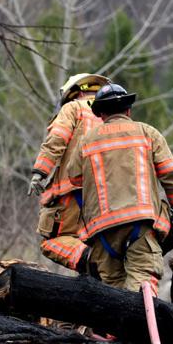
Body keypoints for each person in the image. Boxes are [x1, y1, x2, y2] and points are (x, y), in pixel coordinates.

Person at [71, 83, 173, 294]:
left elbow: (74, 178)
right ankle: (141, 326)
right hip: (140, 224)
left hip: (102, 230)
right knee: (143, 279)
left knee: (113, 289)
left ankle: (115, 328)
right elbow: (170, 173)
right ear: (128, 110)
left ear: (101, 114)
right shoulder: (147, 133)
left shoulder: (85, 142)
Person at [28, 73, 109, 272]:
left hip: (73, 192)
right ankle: (98, 270)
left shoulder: (74, 108)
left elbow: (57, 140)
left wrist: (40, 172)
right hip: (109, 196)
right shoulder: (113, 116)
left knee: (54, 242)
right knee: (95, 240)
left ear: (77, 92)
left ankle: (91, 262)